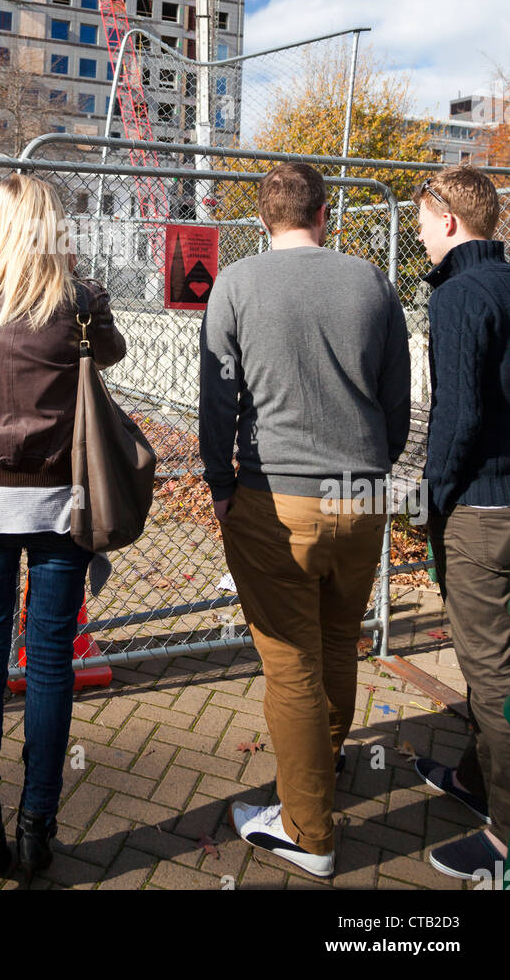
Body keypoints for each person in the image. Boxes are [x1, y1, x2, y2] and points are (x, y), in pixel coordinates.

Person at [199, 161, 410, 878]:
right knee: (337, 640)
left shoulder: (235, 283)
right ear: (324, 213)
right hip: (360, 493)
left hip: (274, 497)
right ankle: (321, 767)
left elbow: (217, 398)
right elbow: (395, 399)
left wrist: (218, 482)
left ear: (264, 217)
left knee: (289, 664)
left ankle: (309, 832)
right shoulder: (371, 282)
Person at [0, 172, 126, 888]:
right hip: (59, 502)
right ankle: (37, 827)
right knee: (49, 664)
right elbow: (111, 356)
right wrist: (77, 282)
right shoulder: (77, 302)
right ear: (53, 225)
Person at [411, 166, 510, 882]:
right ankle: (475, 782)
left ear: (447, 219)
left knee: (493, 673)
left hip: (480, 509)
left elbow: (457, 418)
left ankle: (504, 840)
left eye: (419, 220)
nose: (416, 233)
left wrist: (431, 499)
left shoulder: (456, 297)